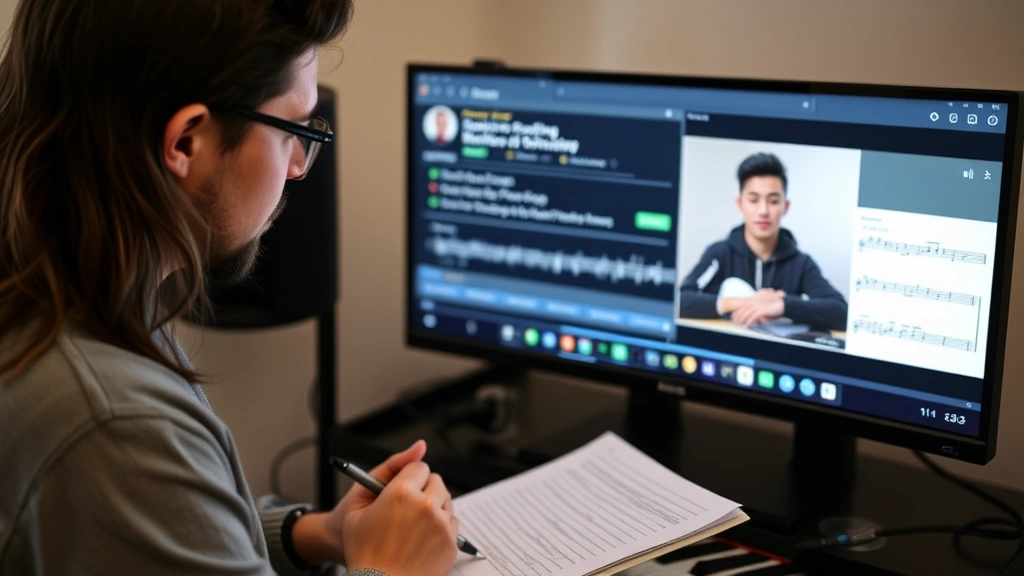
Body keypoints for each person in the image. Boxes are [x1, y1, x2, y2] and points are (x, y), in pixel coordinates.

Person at [0, 1, 460, 575]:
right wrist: (388, 566)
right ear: (186, 142)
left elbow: (145, 531)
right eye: (293, 131)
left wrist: (315, 533)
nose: (298, 167)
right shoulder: (112, 421)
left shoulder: (72, 287)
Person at [678, 152, 848, 331]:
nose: (763, 211)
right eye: (753, 200)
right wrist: (746, 302)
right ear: (740, 204)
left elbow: (841, 311)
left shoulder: (801, 263)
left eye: (773, 201)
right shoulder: (719, 254)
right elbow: (679, 300)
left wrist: (782, 304)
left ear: (785, 207)